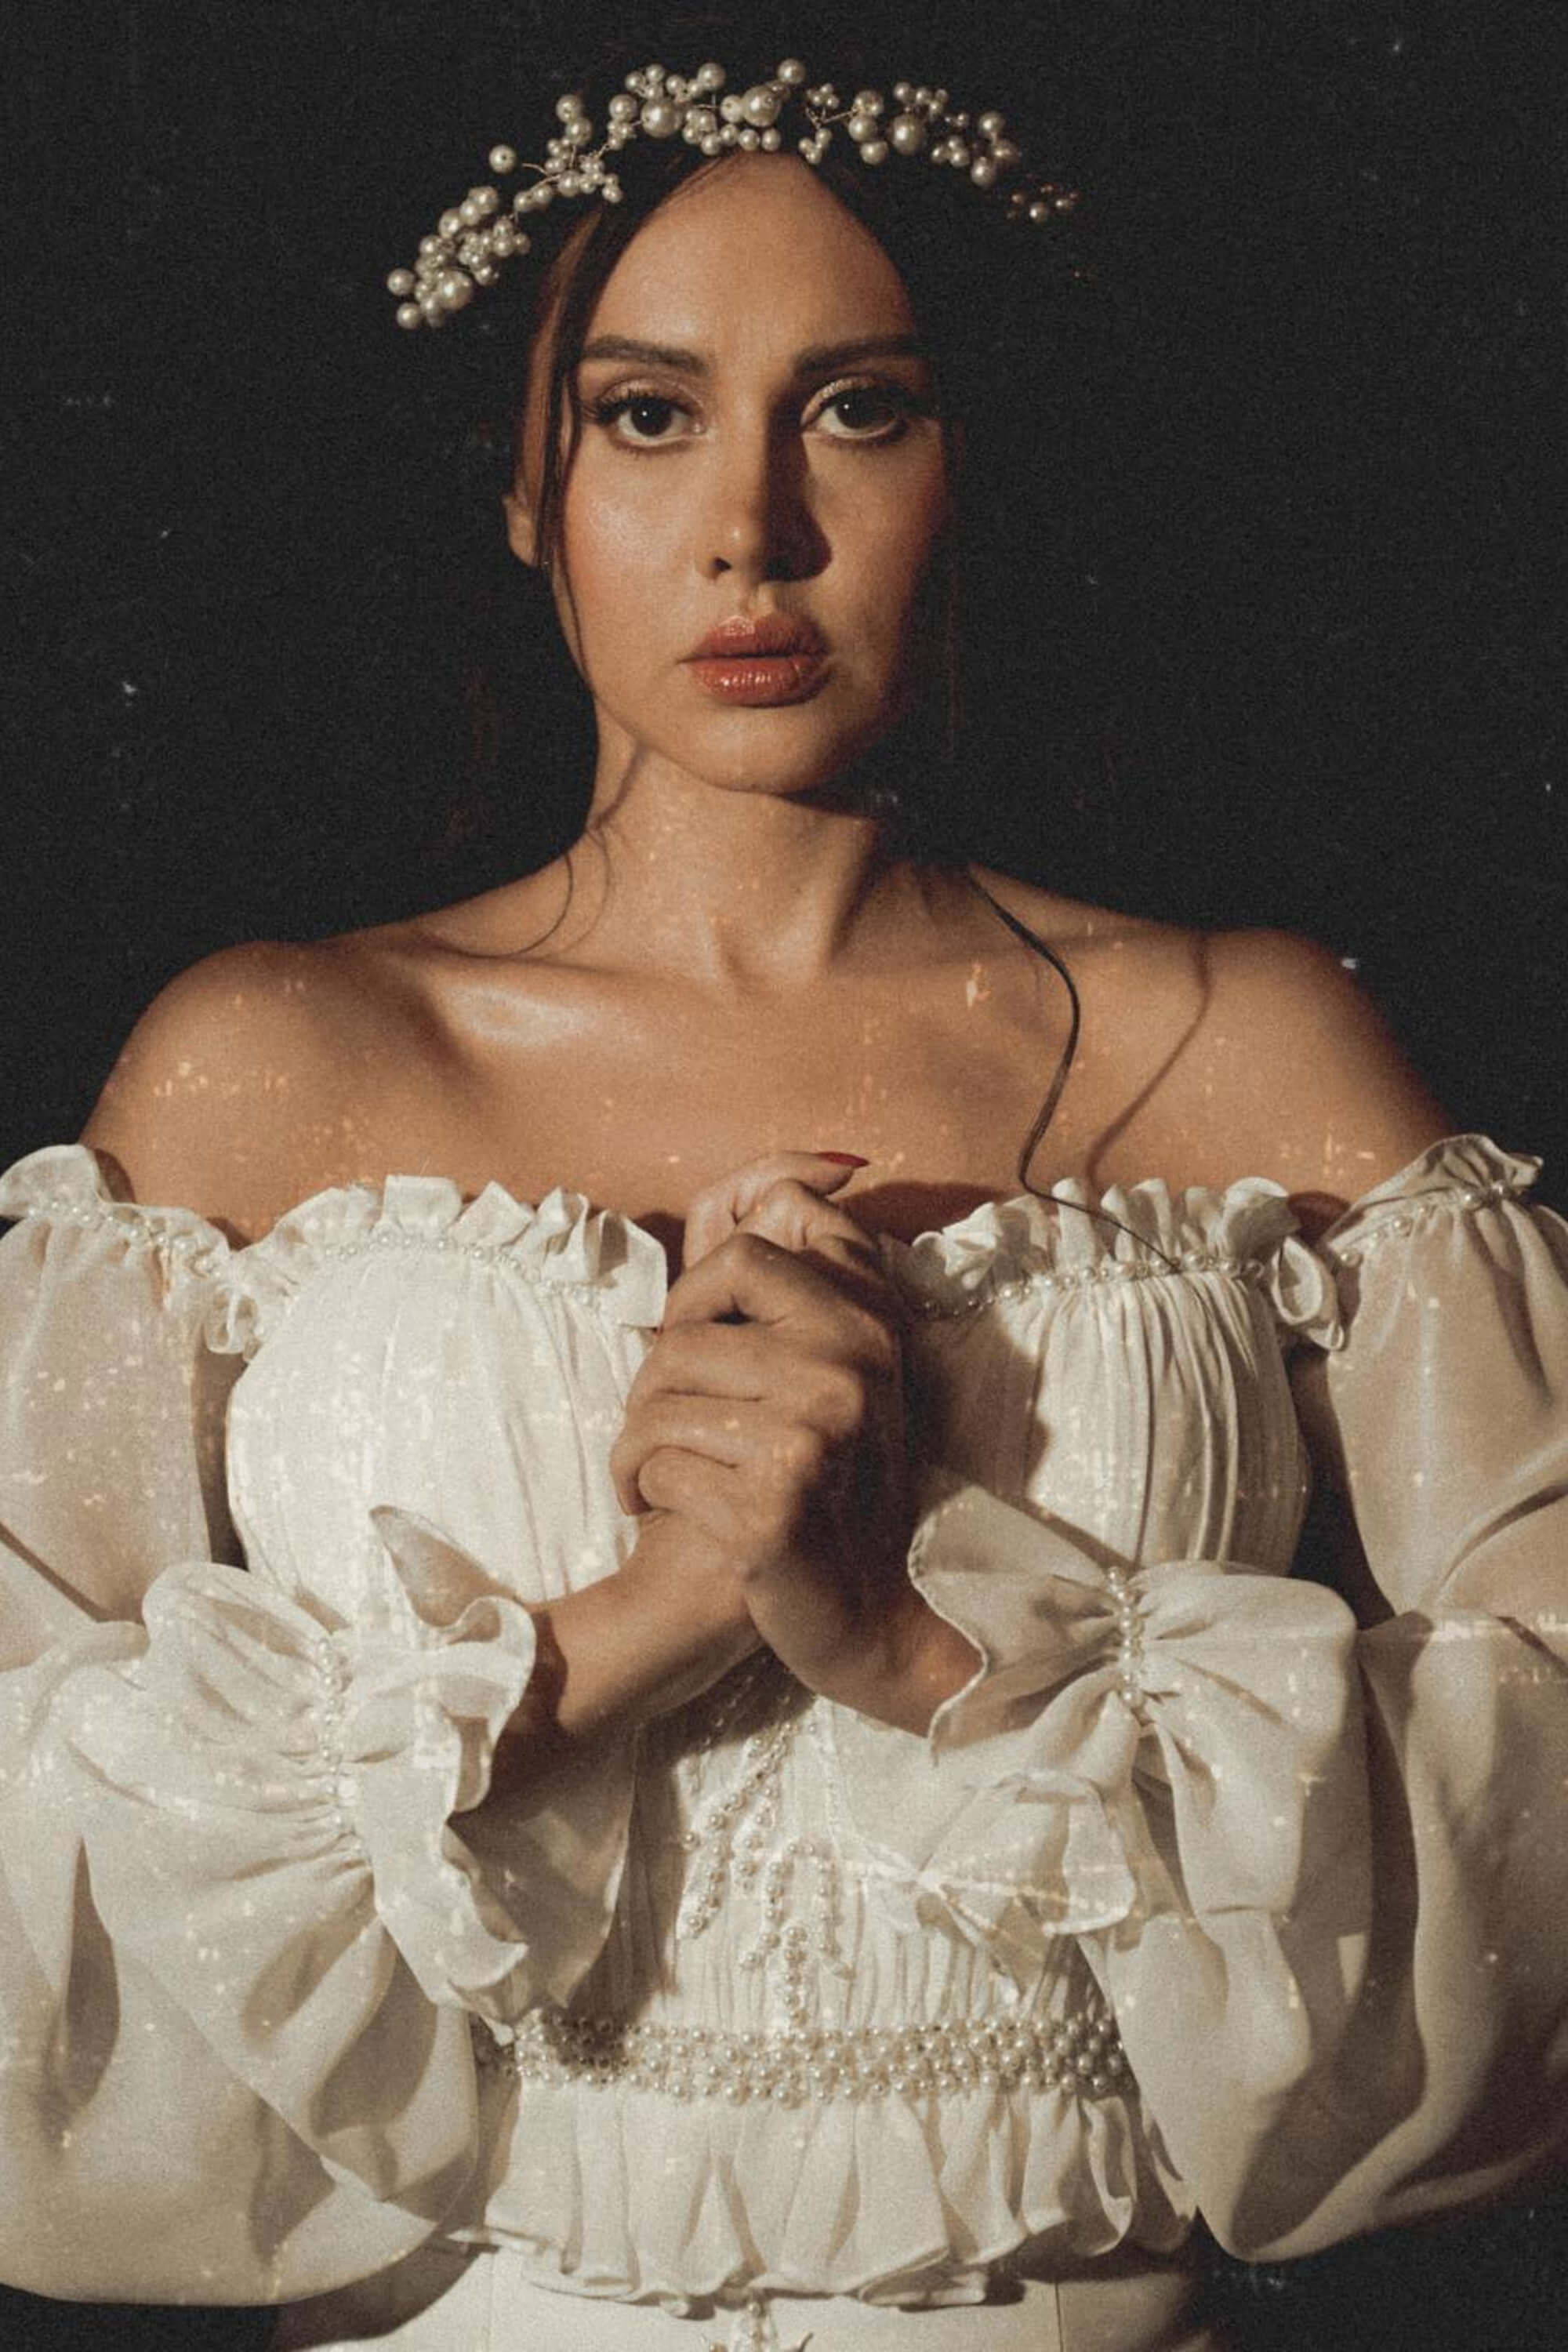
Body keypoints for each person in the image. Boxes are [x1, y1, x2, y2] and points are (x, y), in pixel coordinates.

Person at [2, 37, 1564, 2352]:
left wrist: (919, 1658)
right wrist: (627, 1632)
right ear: (525, 490)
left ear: (978, 462)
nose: (752, 525)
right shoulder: (273, 1060)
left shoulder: (1249, 1045)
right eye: (647, 414)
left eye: (860, 409)